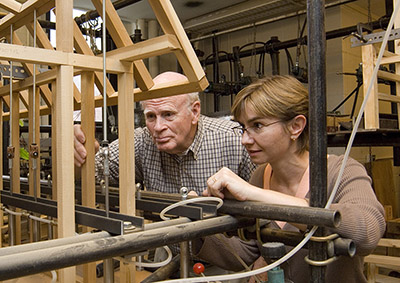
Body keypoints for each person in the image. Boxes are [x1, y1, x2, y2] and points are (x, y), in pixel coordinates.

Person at [194, 75, 386, 283]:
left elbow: (368, 232)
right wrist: (196, 227)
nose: (245, 140)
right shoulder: (261, 175)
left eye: (257, 125)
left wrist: (256, 194)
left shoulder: (341, 171)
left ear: (296, 126)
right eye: (243, 128)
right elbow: (250, 251)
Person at [74, 71, 256, 196]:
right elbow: (91, 176)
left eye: (168, 115)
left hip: (226, 250)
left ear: (194, 112)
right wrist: (77, 153)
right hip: (168, 247)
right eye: (151, 116)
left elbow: (266, 207)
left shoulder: (235, 141)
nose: (158, 127)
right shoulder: (141, 141)